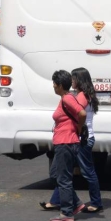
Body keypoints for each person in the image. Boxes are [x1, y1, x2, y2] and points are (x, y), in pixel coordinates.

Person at [40, 68, 103, 213]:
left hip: (80, 139)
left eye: (74, 79)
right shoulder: (88, 94)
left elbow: (78, 113)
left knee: (80, 173)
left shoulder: (80, 96)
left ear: (79, 80)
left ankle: (94, 202)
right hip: (84, 137)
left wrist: (77, 128)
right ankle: (56, 200)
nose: (72, 81)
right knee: (63, 172)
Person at [48, 70, 87, 221]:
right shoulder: (66, 98)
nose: (53, 86)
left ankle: (67, 213)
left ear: (60, 86)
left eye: (54, 84)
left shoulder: (67, 99)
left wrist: (78, 128)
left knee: (63, 179)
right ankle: (76, 204)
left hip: (66, 142)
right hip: (64, 141)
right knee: (59, 176)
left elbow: (82, 113)